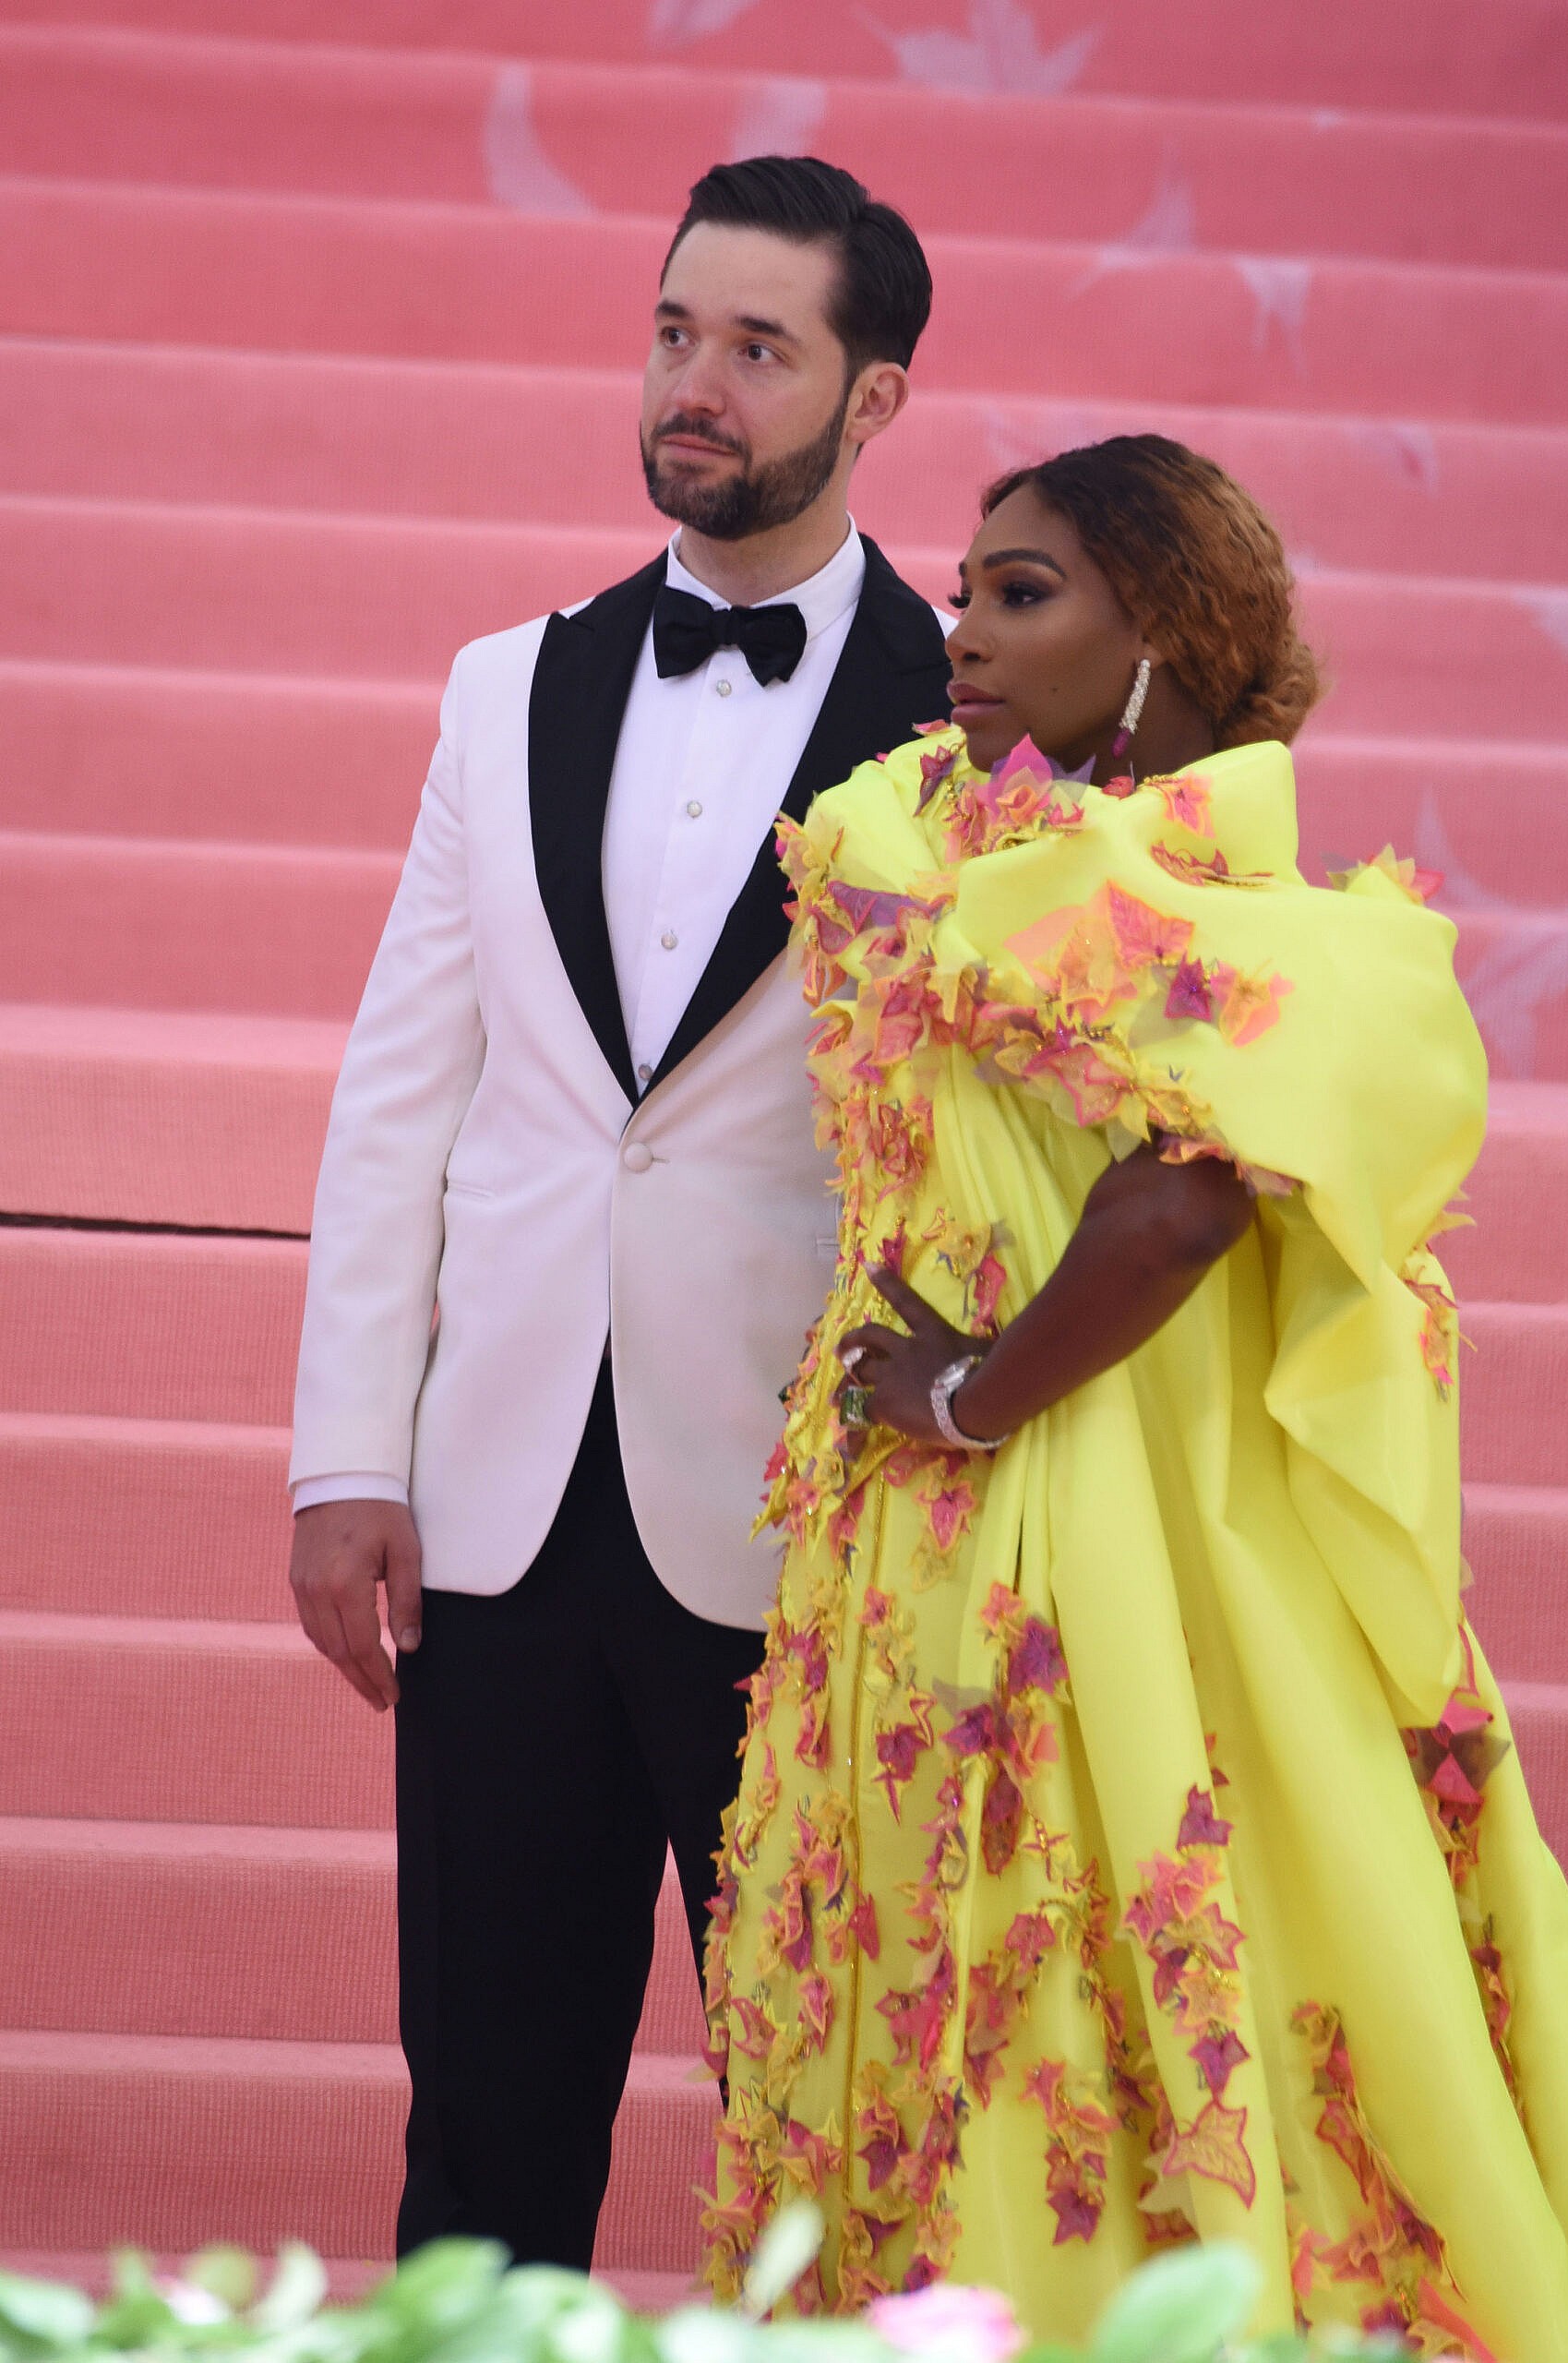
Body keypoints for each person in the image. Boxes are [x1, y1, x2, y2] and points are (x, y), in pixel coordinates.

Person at [701, 435, 1568, 2362]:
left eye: (1026, 592)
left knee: (1084, 1941)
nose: (968, 629)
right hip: (949, 1518)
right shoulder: (948, 841)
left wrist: (976, 1394)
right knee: (1033, 1947)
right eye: (964, 588)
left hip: (1083, 1506)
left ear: (1161, 631)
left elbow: (1175, 1207)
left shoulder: (1202, 900)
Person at [286, 155, 952, 2269]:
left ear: (877, 399)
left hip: (810, 1521)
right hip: (496, 1515)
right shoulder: (508, 680)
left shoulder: (970, 723)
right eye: (677, 329)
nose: (699, 383)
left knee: (842, 2116)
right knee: (483, 2110)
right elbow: (408, 1084)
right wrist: (344, 1453)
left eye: (761, 347)